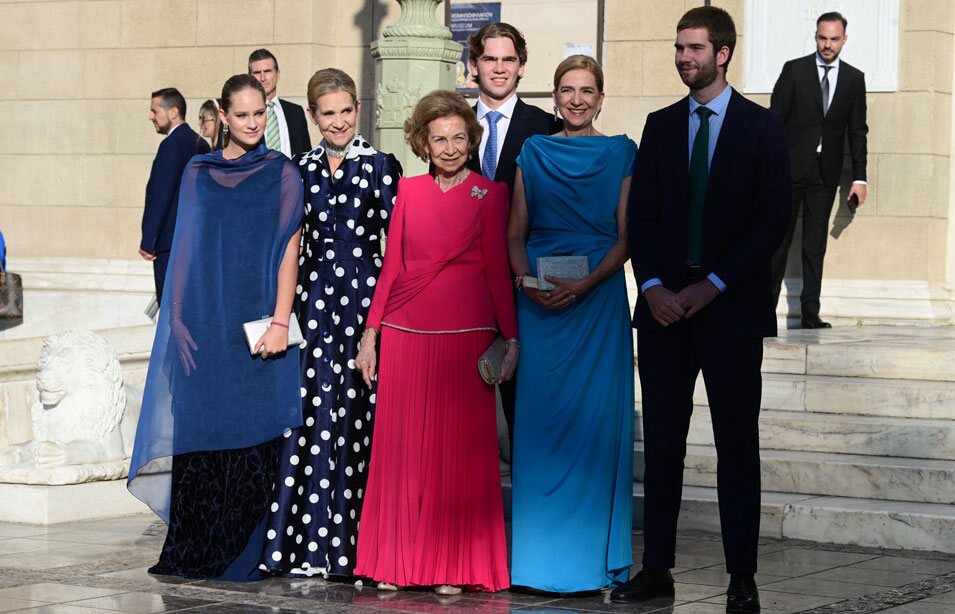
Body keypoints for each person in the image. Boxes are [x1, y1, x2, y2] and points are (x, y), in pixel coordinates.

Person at [612, 7, 790, 612]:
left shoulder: (762, 128)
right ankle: (656, 568)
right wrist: (654, 285)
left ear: (723, 52)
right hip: (663, 313)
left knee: (737, 444)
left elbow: (772, 219)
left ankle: (742, 577)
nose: (684, 57)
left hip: (729, 311)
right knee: (662, 444)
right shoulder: (660, 125)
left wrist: (713, 283)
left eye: (694, 48)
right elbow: (644, 215)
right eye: (679, 47)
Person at [128, 74, 305, 581]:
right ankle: (194, 547)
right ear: (223, 117)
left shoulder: (281, 173)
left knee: (252, 438)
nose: (251, 123)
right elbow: (184, 246)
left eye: (258, 114)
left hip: (256, 326)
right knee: (200, 433)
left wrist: (279, 319)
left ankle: (237, 552)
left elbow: (288, 253)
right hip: (202, 322)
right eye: (241, 114)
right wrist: (177, 316)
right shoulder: (197, 170)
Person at [353, 90, 518, 595]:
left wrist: (511, 339)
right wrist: (370, 334)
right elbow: (392, 269)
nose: (449, 148)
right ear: (423, 143)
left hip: (466, 341)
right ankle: (395, 563)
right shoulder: (407, 190)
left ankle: (453, 566)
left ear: (472, 140)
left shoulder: (491, 196)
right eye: (439, 139)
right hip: (404, 336)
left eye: (459, 138)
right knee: (402, 456)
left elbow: (497, 274)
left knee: (460, 459)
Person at [262, 68, 402, 579]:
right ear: (314, 116)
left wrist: (383, 321)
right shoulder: (298, 169)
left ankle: (359, 550)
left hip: (366, 310)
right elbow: (285, 245)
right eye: (328, 113)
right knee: (311, 420)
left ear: (358, 110)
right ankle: (306, 549)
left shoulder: (383, 166)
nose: (339, 121)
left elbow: (399, 250)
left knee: (359, 419)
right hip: (313, 308)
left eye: (346, 110)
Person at [507, 55, 636, 594]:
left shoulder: (623, 151)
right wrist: (525, 282)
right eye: (567, 90)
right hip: (541, 310)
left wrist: (584, 284)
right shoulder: (532, 151)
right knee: (539, 430)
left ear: (601, 98)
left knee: (594, 428)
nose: (577, 99)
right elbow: (516, 233)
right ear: (554, 97)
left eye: (587, 90)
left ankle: (587, 559)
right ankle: (536, 562)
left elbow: (628, 236)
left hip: (597, 305)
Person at [465, 21, 563, 463]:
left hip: (524, 290)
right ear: (473, 66)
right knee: (462, 417)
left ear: (522, 67)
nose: (499, 68)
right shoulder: (452, 125)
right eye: (490, 59)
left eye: (508, 60)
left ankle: (528, 520)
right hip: (461, 290)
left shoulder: (547, 128)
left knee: (526, 413)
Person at [770, 11, 868, 329]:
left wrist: (859, 177)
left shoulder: (854, 79)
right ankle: (763, 310)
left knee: (815, 246)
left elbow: (857, 131)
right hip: (789, 169)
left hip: (825, 174)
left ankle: (810, 313)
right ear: (815, 37)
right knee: (777, 242)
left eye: (833, 39)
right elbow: (775, 121)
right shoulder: (794, 71)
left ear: (844, 40)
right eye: (822, 38)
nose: (827, 44)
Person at [140, 88, 211, 305]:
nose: (151, 116)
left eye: (154, 110)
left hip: (168, 245)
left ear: (173, 112)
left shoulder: (171, 145)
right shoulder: (200, 143)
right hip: (192, 240)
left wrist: (148, 241)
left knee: (170, 309)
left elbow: (161, 194)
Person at [249, 48, 312, 158]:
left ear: (277, 75)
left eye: (268, 71)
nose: (263, 78)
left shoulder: (296, 112)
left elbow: (306, 153)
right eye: (257, 73)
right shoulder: (243, 114)